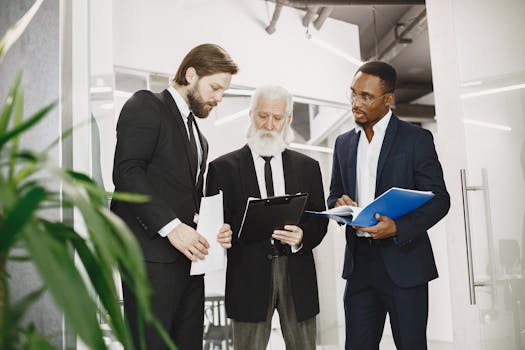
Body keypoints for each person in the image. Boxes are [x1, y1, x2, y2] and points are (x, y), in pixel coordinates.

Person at [111, 43, 238, 350]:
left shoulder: (201, 138)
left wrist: (214, 228)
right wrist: (171, 226)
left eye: (223, 91)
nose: (219, 99)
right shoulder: (147, 104)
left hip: (190, 264)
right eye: (215, 88)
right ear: (190, 74)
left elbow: (189, 200)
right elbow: (127, 173)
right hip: (149, 259)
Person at [327, 61, 450, 350]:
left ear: (388, 99)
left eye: (366, 97)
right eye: (353, 94)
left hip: (404, 262)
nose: (356, 103)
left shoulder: (416, 139)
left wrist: (398, 228)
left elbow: (440, 200)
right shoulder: (343, 143)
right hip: (359, 267)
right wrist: (339, 204)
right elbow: (334, 193)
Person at [206, 85, 328, 350]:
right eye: (262, 116)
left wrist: (303, 236)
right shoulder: (221, 169)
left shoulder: (308, 168)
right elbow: (215, 224)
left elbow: (320, 220)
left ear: (289, 119)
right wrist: (221, 233)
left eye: (277, 117)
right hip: (247, 277)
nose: (269, 125)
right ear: (250, 114)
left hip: (298, 275)